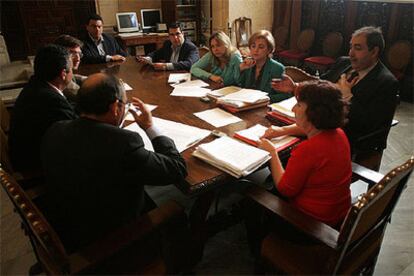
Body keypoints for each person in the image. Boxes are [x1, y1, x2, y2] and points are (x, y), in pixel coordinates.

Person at [41, 73, 187, 252]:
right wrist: (150, 127)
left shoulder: (56, 129)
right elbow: (177, 169)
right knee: (178, 212)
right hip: (108, 242)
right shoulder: (123, 143)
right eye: (124, 105)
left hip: (65, 221)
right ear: (115, 107)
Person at [245, 81, 351, 260]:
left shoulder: (308, 149)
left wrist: (272, 152)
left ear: (314, 113)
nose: (293, 108)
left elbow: (285, 189)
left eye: (299, 104)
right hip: (338, 213)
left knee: (250, 196)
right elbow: (309, 128)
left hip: (308, 226)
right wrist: (282, 130)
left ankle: (258, 252)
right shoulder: (338, 134)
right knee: (269, 181)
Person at [271, 26, 399, 156]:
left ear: (374, 51)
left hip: (347, 139)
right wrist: (295, 87)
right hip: (318, 125)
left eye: (358, 48)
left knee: (288, 153)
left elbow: (370, 124)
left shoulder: (386, 82)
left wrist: (347, 96)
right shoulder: (343, 63)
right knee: (279, 144)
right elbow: (320, 84)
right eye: (351, 47)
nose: (351, 53)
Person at [8, 44, 78, 172]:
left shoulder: (36, 85)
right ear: (63, 74)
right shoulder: (51, 100)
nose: (73, 73)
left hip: (28, 155)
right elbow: (77, 135)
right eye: (71, 69)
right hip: (38, 168)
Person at [239, 30, 288, 102]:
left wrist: (263, 99)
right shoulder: (247, 65)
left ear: (269, 50)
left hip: (264, 107)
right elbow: (238, 87)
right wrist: (240, 69)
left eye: (261, 47)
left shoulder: (277, 68)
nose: (256, 50)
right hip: (245, 105)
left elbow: (285, 96)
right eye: (253, 46)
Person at [54, 34, 87, 101]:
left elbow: (74, 77)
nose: (78, 59)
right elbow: (84, 97)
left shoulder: (64, 71)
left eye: (79, 54)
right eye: (73, 53)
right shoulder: (60, 77)